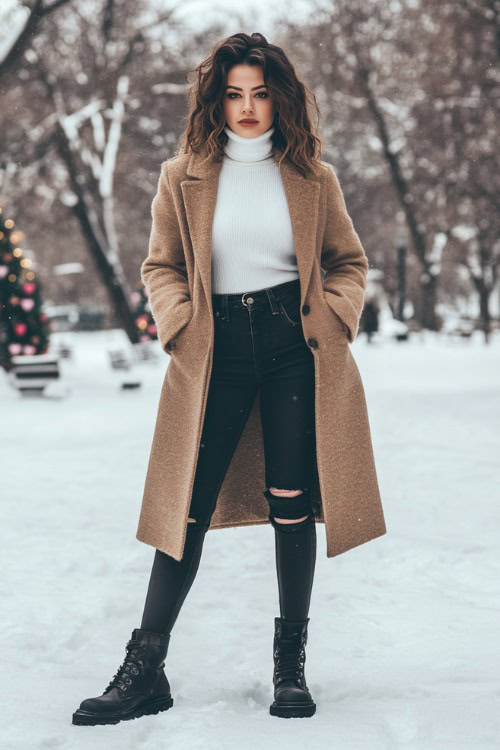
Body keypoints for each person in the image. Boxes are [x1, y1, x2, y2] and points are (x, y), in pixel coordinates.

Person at [73, 31, 386, 726]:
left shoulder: (313, 178)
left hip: (291, 347)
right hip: (212, 349)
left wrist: (334, 318)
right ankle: (145, 667)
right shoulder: (181, 175)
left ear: (281, 97)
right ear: (216, 99)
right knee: (183, 509)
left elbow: (348, 263)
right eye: (234, 94)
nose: (247, 108)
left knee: (292, 502)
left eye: (260, 93)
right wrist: (180, 324)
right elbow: (161, 266)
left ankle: (289, 667)